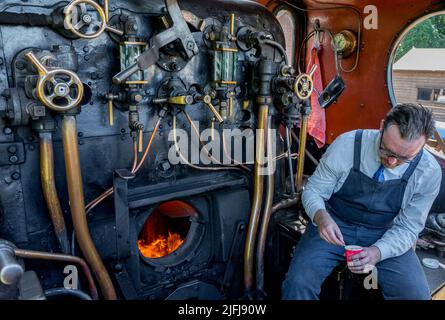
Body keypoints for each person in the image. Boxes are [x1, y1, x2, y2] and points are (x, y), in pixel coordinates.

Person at [282, 103, 442, 300]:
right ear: (382, 126)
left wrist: (378, 252)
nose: (391, 162)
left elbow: (408, 228)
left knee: (414, 295)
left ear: (423, 144)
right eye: (387, 151)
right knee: (298, 283)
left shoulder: (428, 172)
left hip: (386, 233)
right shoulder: (348, 144)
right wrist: (320, 215)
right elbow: (314, 191)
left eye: (404, 158)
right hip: (334, 225)